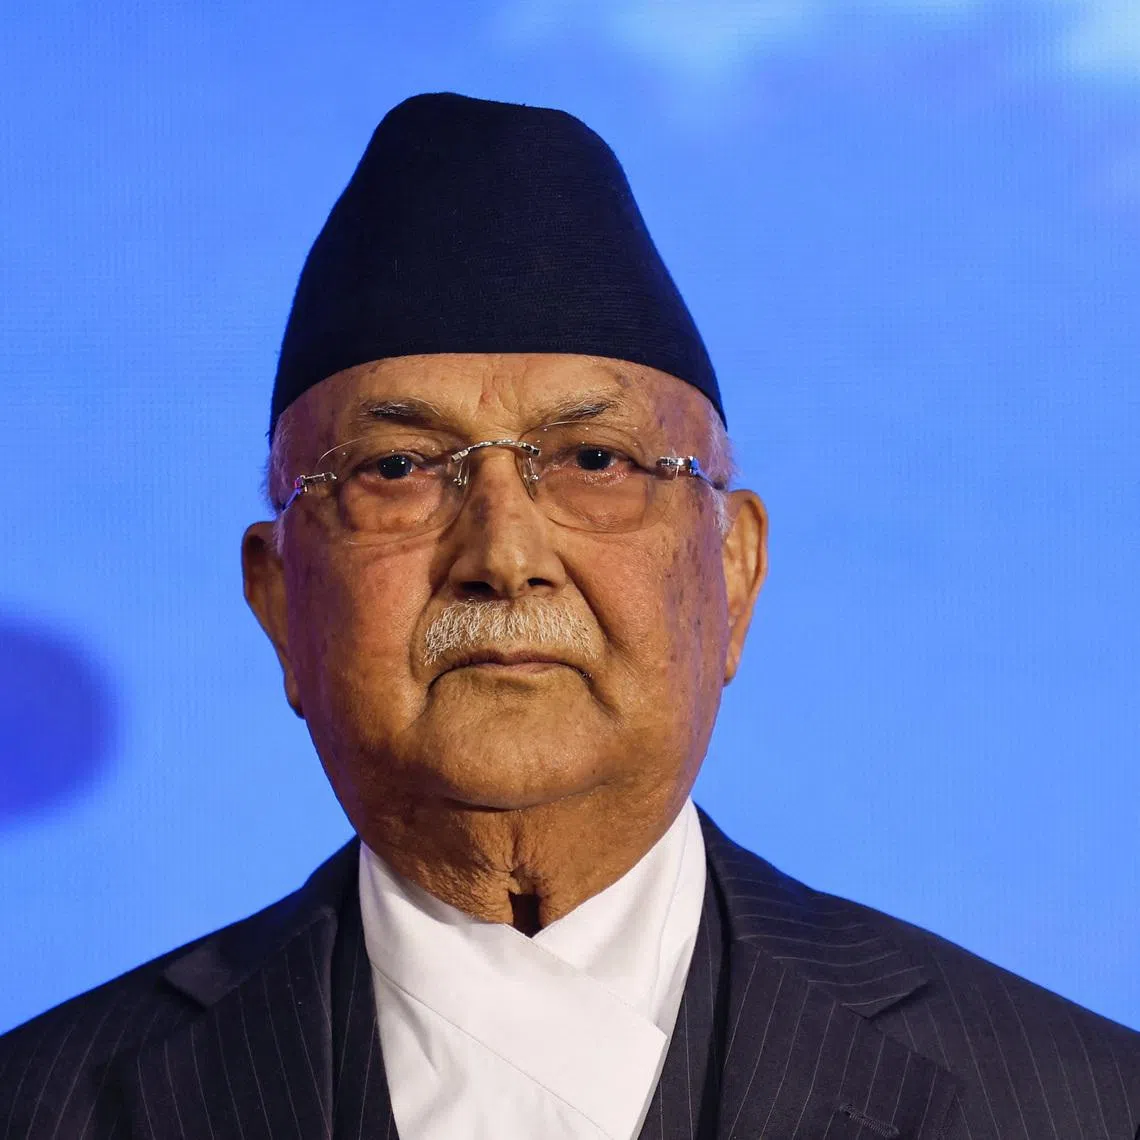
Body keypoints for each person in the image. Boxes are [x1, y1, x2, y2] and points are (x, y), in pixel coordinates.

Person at [1, 91, 1137, 1140]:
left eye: (595, 459)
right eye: (400, 466)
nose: (503, 555)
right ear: (279, 599)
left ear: (733, 574)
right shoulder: (47, 1103)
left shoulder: (1071, 1101)